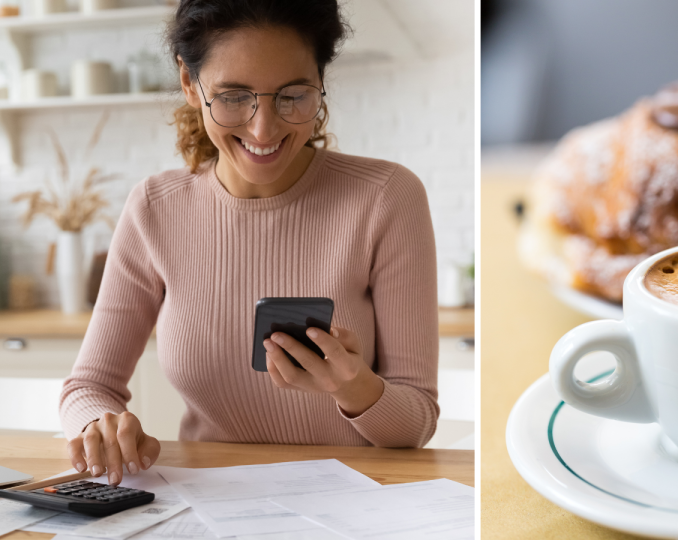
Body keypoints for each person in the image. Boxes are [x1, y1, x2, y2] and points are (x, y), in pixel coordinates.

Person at [59, 0, 439, 487]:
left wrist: (356, 387)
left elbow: (417, 422)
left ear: (321, 81)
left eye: (292, 95)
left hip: (355, 498)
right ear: (189, 84)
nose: (264, 129)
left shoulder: (386, 197)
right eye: (234, 95)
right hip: (209, 500)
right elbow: (88, 387)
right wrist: (99, 425)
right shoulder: (154, 208)